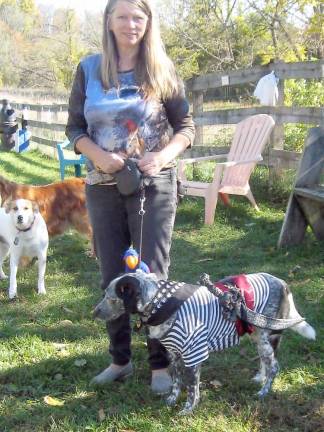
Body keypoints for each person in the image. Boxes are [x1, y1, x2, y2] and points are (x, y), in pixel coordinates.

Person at [65, 0, 195, 395]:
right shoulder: (88, 69)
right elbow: (74, 129)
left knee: (151, 276)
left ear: (148, 22)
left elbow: (185, 127)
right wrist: (100, 157)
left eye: (139, 16)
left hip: (153, 188)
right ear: (108, 21)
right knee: (112, 276)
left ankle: (160, 364)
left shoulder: (162, 68)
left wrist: (162, 156)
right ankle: (120, 359)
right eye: (122, 15)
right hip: (102, 189)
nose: (130, 24)